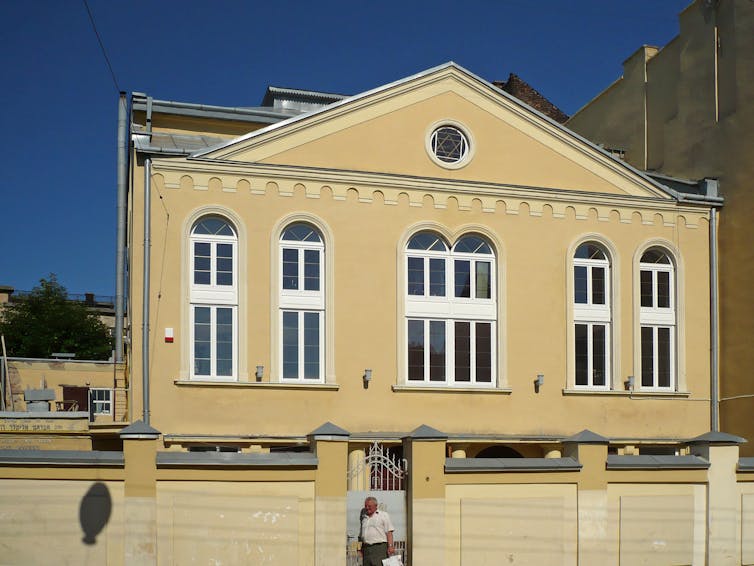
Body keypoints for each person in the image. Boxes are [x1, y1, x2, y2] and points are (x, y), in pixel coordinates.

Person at [359, 496, 395, 566]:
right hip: (366, 549)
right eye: (365, 506)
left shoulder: (383, 515)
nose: (367, 508)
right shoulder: (364, 518)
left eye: (369, 506)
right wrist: (360, 548)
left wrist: (390, 546)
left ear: (376, 506)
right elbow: (361, 534)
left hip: (379, 549)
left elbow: (389, 532)